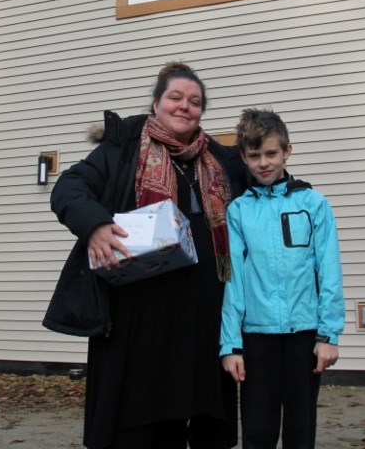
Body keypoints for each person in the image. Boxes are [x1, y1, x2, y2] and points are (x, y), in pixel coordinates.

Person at [48, 61, 249, 449]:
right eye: (175, 97)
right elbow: (69, 188)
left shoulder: (222, 161)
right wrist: (95, 225)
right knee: (141, 417)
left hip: (204, 316)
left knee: (204, 413)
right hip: (139, 316)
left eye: (194, 101)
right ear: (156, 103)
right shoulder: (122, 150)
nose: (184, 106)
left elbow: (265, 176)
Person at [219, 109, 345, 449]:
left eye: (271, 153)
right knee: (258, 431)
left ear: (287, 151)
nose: (264, 162)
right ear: (243, 157)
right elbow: (231, 278)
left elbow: (329, 270)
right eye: (255, 155)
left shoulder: (314, 204)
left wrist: (329, 334)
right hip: (257, 339)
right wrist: (230, 345)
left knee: (300, 432)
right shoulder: (238, 211)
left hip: (305, 337)